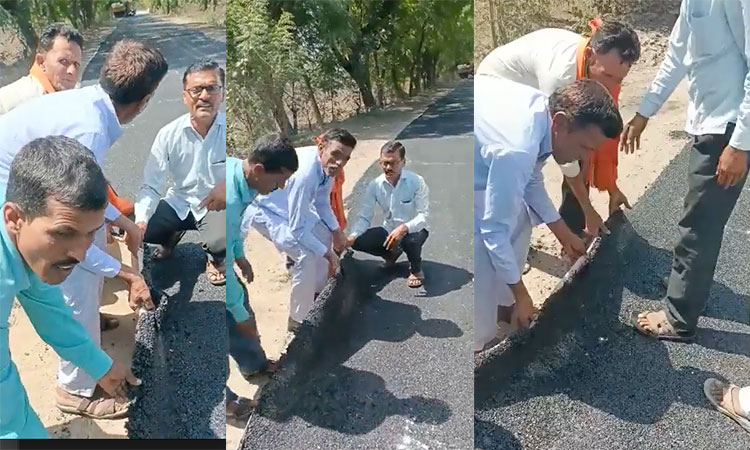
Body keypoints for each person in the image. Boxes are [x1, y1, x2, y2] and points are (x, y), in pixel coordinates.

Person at [0, 39, 167, 418]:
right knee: (74, 277)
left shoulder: (88, 104)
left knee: (76, 270)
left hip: (25, 198)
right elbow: (72, 228)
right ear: (145, 100)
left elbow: (79, 193)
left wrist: (122, 221)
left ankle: (87, 337)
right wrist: (126, 273)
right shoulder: (90, 129)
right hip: (15, 195)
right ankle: (73, 389)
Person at [623, 0, 750, 342]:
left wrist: (739, 144)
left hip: (729, 129)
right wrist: (645, 111)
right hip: (708, 123)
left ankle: (679, 317)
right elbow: (676, 57)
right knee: (696, 217)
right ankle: (687, 285)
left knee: (699, 225)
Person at [0, 136, 141, 438]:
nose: (79, 253)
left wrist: (100, 365)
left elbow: (53, 315)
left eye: (91, 234)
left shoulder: (26, 239)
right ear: (13, 218)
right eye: (64, 233)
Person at [474, 77, 622, 353]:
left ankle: (507, 307)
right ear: (561, 123)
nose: (585, 157)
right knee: (485, 255)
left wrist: (564, 234)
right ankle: (477, 343)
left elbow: (530, 179)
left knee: (518, 221)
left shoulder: (544, 114)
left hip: (490, 143)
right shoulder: (516, 148)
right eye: (585, 147)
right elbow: (493, 229)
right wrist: (523, 293)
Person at [477, 18, 640, 237]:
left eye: (618, 80)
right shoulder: (561, 79)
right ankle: (503, 240)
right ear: (590, 55)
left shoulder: (596, 66)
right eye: (607, 76)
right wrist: (588, 208)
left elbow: (596, 139)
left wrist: (612, 188)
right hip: (495, 85)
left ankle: (573, 228)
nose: (610, 87)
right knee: (518, 167)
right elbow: (563, 154)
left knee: (577, 151)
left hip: (526, 88)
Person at [243, 129, 356, 331]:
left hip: (288, 202)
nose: (340, 162)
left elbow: (321, 202)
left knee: (324, 233)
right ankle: (298, 318)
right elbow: (297, 230)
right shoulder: (305, 175)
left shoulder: (327, 167)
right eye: (336, 154)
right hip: (264, 207)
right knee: (306, 253)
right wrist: (329, 254)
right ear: (322, 147)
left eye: (345, 158)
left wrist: (337, 232)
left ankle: (318, 292)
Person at [135, 59, 228, 286]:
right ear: (185, 96)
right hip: (179, 202)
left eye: (212, 88)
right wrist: (140, 221)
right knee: (140, 230)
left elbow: (248, 175)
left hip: (216, 205)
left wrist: (229, 187)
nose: (204, 96)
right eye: (196, 90)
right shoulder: (168, 134)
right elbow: (151, 184)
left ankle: (215, 258)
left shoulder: (230, 131)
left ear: (222, 94)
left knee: (221, 241)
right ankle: (170, 237)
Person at [225, 135, 298, 421]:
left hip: (219, 247)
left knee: (240, 309)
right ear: (257, 170)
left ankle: (253, 364)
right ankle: (228, 404)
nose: (279, 187)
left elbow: (230, 232)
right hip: (201, 258)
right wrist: (239, 313)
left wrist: (240, 255)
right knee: (227, 319)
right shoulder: (230, 198)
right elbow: (219, 261)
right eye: (277, 180)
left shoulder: (240, 175)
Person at [346, 141, 430, 288]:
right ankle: (391, 254)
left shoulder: (416, 181)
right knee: (358, 240)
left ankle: (416, 269)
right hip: (389, 229)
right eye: (384, 163)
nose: (388, 168)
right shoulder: (375, 185)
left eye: (393, 163)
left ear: (403, 162)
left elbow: (424, 216)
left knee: (411, 240)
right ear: (380, 163)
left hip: (414, 230)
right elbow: (364, 216)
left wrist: (404, 228)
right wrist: (352, 237)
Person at [0, 23, 83, 115]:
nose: (72, 71)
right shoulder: (15, 102)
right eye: (63, 61)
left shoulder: (74, 96)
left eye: (76, 64)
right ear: (41, 62)